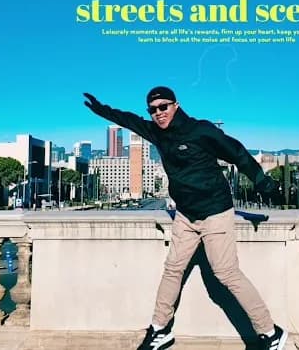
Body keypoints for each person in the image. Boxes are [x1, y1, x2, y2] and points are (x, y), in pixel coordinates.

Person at [83, 87, 288, 350]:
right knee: (172, 270)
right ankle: (160, 330)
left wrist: (264, 185)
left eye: (163, 107)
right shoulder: (156, 132)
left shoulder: (200, 130)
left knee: (226, 274)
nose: (158, 113)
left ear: (176, 105)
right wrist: (101, 109)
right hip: (185, 215)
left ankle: (270, 332)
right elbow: (128, 120)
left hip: (216, 213)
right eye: (153, 109)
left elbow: (237, 153)